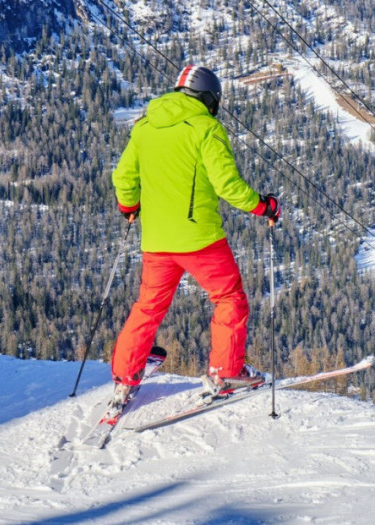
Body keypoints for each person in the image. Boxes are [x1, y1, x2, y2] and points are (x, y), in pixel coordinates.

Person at [108, 65, 280, 407]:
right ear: (209, 99)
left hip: (156, 241)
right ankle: (226, 372)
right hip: (200, 240)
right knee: (229, 298)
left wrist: (129, 207)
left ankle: (126, 375)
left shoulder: (144, 127)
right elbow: (227, 185)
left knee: (148, 307)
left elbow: (124, 177)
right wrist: (264, 206)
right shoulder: (206, 128)